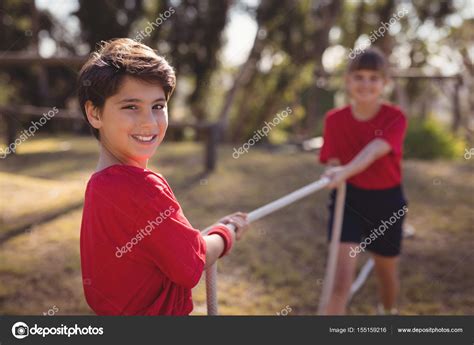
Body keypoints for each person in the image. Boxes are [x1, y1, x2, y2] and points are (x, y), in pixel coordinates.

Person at [78, 38, 249, 315]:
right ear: (94, 113)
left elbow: (160, 249)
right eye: (131, 107)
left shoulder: (99, 184)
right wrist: (226, 232)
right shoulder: (143, 188)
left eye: (158, 106)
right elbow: (191, 265)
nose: (149, 121)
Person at [319, 48, 408, 315]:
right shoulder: (334, 119)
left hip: (387, 203)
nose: (366, 84)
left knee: (386, 275)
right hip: (349, 200)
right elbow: (333, 159)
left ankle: (387, 314)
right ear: (347, 81)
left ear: (385, 83)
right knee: (340, 282)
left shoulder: (395, 117)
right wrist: (334, 173)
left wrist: (344, 170)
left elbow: (375, 149)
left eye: (373, 77)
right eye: (359, 76)